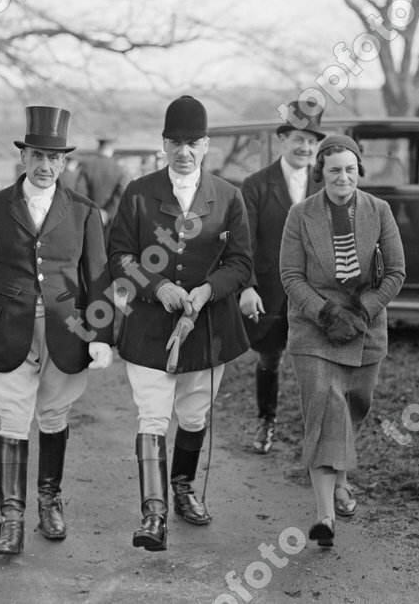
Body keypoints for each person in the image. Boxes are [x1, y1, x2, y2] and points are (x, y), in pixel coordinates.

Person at [0, 105, 113, 556]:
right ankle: (11, 520)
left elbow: (97, 277)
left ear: (65, 163)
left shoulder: (85, 212)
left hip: (67, 332)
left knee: (55, 416)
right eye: (37, 156)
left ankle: (50, 503)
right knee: (12, 420)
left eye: (55, 158)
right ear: (23, 158)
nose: (46, 166)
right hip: (8, 330)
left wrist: (102, 335)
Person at [107, 95, 252, 552]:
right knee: (152, 415)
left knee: (193, 414)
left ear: (206, 145)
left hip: (207, 327)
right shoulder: (138, 191)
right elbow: (119, 258)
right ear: (163, 144)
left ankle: (183, 487)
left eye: (193, 143)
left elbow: (241, 262)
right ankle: (154, 515)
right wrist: (157, 287)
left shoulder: (229, 196)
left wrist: (207, 291)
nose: (184, 151)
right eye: (175, 142)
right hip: (150, 326)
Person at [279, 134, 405, 548]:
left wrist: (363, 309)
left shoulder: (380, 211)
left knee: (354, 406)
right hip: (314, 330)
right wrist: (325, 312)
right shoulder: (300, 215)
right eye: (333, 170)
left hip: (365, 328)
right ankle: (324, 516)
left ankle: (341, 480)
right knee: (324, 408)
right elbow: (291, 276)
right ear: (321, 173)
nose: (342, 177)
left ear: (359, 171)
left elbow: (396, 273)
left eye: (350, 169)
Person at [238, 101, 325, 454]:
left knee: (318, 366)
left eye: (311, 142)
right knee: (269, 360)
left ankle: (318, 436)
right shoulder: (257, 185)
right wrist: (247, 287)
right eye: (298, 140)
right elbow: (242, 244)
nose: (305, 148)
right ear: (283, 140)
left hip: (316, 292)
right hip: (271, 292)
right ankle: (266, 423)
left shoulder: (326, 182)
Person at [78, 138, 125, 228]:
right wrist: (108, 213)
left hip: (90, 215)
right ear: (111, 150)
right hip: (112, 218)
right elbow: (121, 193)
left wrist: (92, 211)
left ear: (98, 149)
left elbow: (80, 191)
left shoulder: (87, 167)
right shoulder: (119, 169)